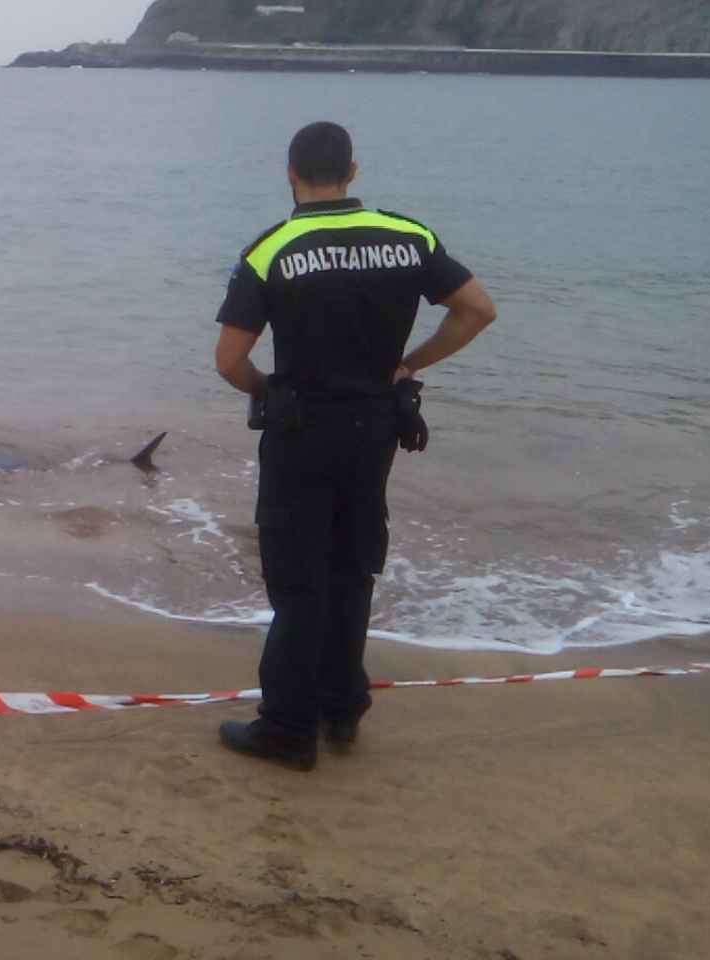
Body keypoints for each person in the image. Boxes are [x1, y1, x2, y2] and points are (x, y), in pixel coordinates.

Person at [212, 121, 497, 771]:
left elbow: (230, 360)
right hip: (375, 431)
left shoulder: (273, 250)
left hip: (301, 432)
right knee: (352, 566)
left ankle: (286, 727)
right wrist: (407, 365)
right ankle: (342, 711)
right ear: (354, 172)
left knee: (297, 580)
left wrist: (266, 389)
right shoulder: (408, 237)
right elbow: (477, 309)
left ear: (290, 173)